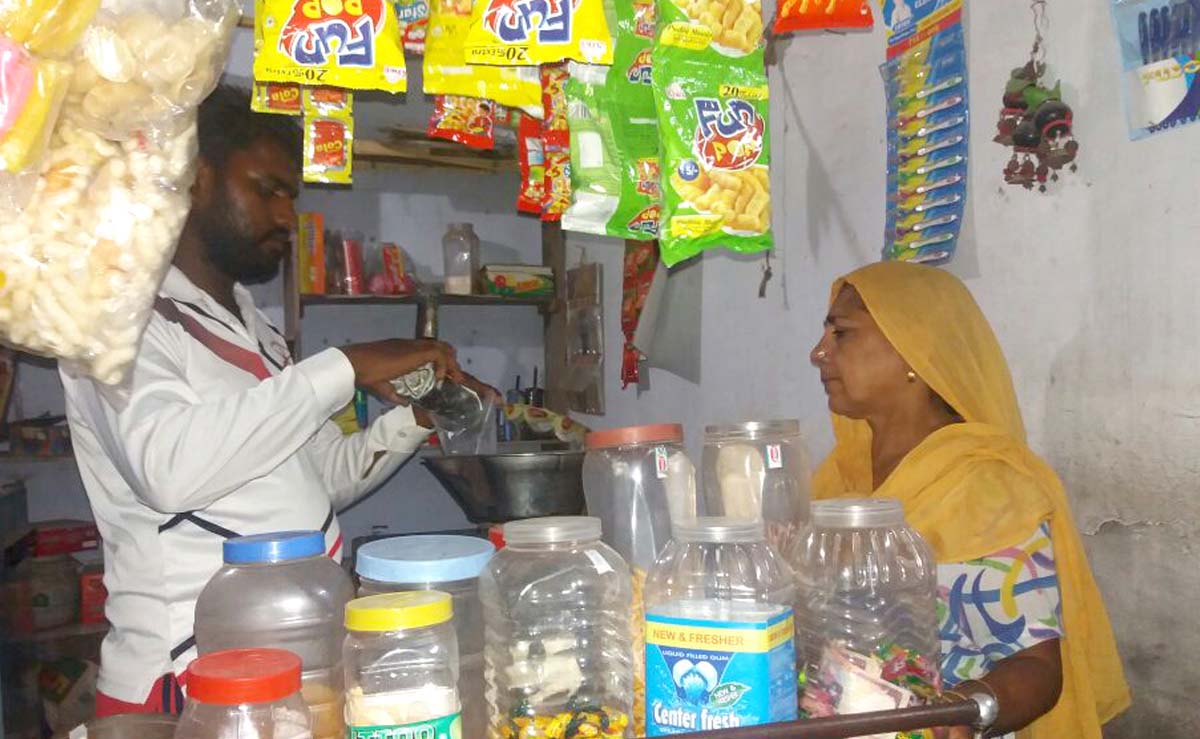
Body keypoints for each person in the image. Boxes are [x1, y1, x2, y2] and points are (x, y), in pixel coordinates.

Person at [59, 84, 492, 717]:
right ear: (195, 179)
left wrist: (416, 418)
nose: (288, 216)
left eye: (291, 195)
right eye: (267, 190)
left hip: (290, 661)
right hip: (184, 679)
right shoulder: (118, 318)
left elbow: (319, 479)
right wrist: (344, 366)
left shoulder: (254, 327)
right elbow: (168, 471)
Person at [809, 261, 1130, 739]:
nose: (819, 353)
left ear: (913, 349)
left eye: (843, 334)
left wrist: (956, 713)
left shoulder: (988, 488)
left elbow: (1037, 667)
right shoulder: (839, 479)